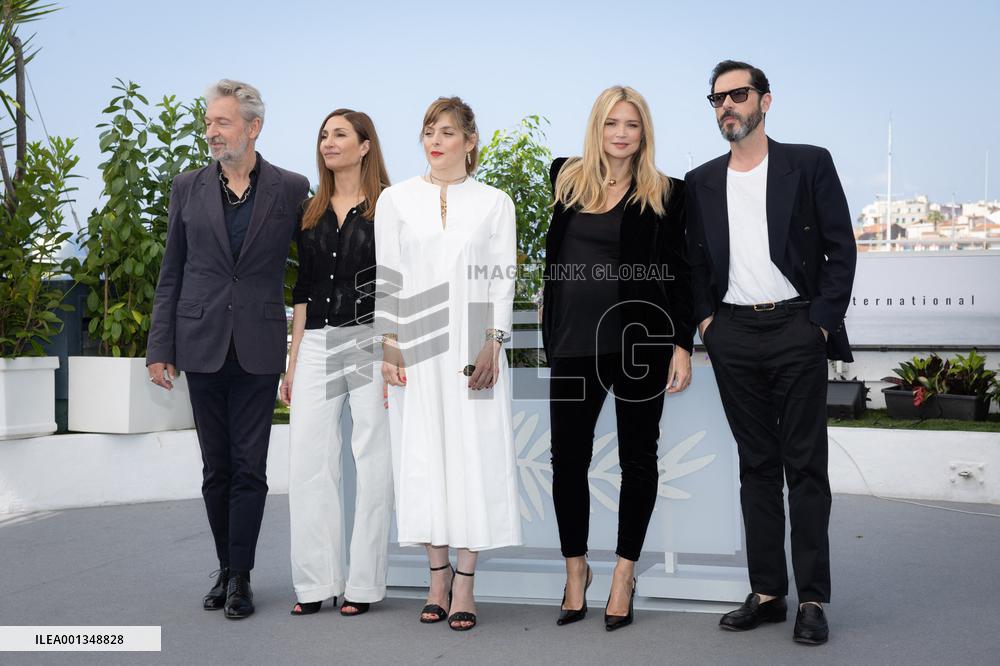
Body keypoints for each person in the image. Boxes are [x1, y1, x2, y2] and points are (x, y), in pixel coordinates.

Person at [685, 60, 856, 645]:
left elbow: (840, 248)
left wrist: (819, 324)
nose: (726, 106)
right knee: (755, 465)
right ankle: (767, 592)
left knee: (805, 466)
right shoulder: (700, 180)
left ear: (765, 100)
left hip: (795, 329)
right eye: (717, 98)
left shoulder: (808, 163)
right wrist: (707, 322)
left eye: (738, 95)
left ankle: (811, 598)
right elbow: (694, 264)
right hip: (731, 334)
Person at [146, 79, 310, 620]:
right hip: (200, 344)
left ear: (253, 127)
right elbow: (171, 272)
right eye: (208, 123)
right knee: (216, 468)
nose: (211, 133)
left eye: (222, 123)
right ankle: (224, 566)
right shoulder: (187, 187)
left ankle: (241, 576)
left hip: (260, 346)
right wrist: (159, 348)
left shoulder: (290, 188)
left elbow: (311, 268)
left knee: (250, 468)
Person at [541, 85, 694, 631]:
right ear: (597, 128)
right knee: (567, 462)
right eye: (612, 123)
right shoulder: (564, 176)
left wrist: (681, 343)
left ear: (644, 132)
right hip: (572, 345)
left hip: (638, 347)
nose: (621, 133)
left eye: (631, 124)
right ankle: (576, 570)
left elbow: (680, 274)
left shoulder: (666, 193)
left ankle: (625, 574)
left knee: (637, 460)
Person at [375, 96, 521, 631]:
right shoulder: (395, 200)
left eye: (447, 132)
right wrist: (388, 342)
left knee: (472, 458)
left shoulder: (494, 203)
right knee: (422, 458)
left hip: (470, 351)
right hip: (414, 346)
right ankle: (435, 576)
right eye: (429, 132)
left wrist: (494, 342)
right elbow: (387, 274)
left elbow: (500, 278)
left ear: (470, 140)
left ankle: (465, 583)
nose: (435, 141)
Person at [281, 109, 393, 617]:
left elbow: (398, 282)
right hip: (318, 343)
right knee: (308, 462)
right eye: (323, 135)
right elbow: (302, 291)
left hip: (371, 338)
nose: (328, 142)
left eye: (340, 134)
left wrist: (394, 347)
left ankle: (364, 585)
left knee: (372, 462)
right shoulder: (309, 211)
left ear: (365, 145)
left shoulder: (390, 207)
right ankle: (314, 582)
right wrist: (293, 358)